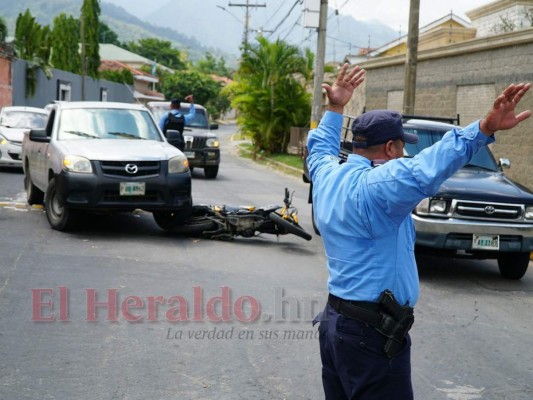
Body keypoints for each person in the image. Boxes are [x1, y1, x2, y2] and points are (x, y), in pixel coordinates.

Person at [307, 63, 531, 400]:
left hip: (336, 325)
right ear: (389, 150)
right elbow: (428, 167)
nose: (405, 153)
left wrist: (335, 108)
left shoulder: (328, 175)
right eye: (402, 147)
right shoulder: (379, 185)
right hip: (371, 336)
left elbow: (320, 149)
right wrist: (484, 128)